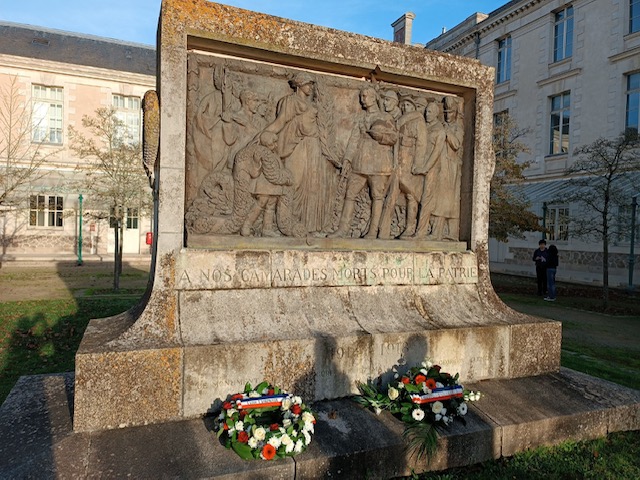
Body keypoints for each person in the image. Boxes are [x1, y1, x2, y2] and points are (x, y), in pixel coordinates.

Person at [330, 86, 397, 238]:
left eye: (365, 96)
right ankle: (343, 229)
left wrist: (379, 136)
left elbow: (393, 137)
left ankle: (373, 232)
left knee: (377, 196)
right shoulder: (361, 118)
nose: (362, 99)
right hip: (360, 162)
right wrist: (347, 159)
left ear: (374, 98)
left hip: (378, 163)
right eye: (361, 96)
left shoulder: (385, 117)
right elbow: (354, 139)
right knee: (350, 193)